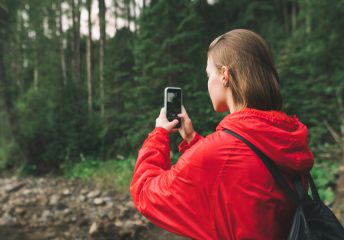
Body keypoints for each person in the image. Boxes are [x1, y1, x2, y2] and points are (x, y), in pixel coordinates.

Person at [129, 29, 315, 239]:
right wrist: (193, 141)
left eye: (209, 75)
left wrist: (159, 134)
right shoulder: (286, 138)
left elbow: (146, 193)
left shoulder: (221, 152)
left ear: (225, 75)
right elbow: (237, 185)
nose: (208, 83)